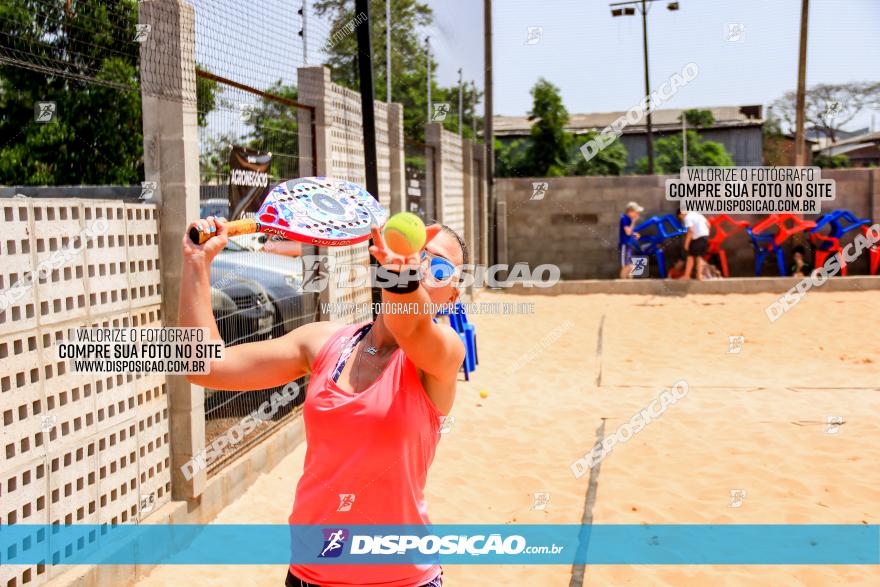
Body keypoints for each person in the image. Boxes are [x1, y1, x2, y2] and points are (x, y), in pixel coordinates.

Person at [179, 216, 466, 587]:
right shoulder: (324, 342)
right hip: (309, 577)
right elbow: (204, 366)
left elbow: (411, 326)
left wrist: (401, 275)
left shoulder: (442, 357)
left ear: (452, 296)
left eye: (439, 269)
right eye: (418, 256)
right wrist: (196, 265)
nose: (423, 269)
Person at [677, 208, 710, 280]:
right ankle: (699, 276)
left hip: (697, 238)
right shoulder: (696, 214)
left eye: (681, 217)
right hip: (705, 236)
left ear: (682, 214)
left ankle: (687, 276)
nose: (682, 219)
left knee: (690, 256)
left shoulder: (687, 218)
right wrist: (706, 234)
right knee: (698, 257)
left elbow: (690, 231)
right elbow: (708, 224)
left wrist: (686, 244)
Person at [619, 201, 643, 278]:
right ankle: (623, 283)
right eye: (636, 212)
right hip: (624, 245)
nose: (637, 214)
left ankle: (629, 282)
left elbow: (630, 232)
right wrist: (634, 221)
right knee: (625, 266)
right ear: (630, 211)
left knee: (629, 266)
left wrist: (634, 234)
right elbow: (628, 232)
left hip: (628, 245)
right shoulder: (624, 218)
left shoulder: (628, 219)